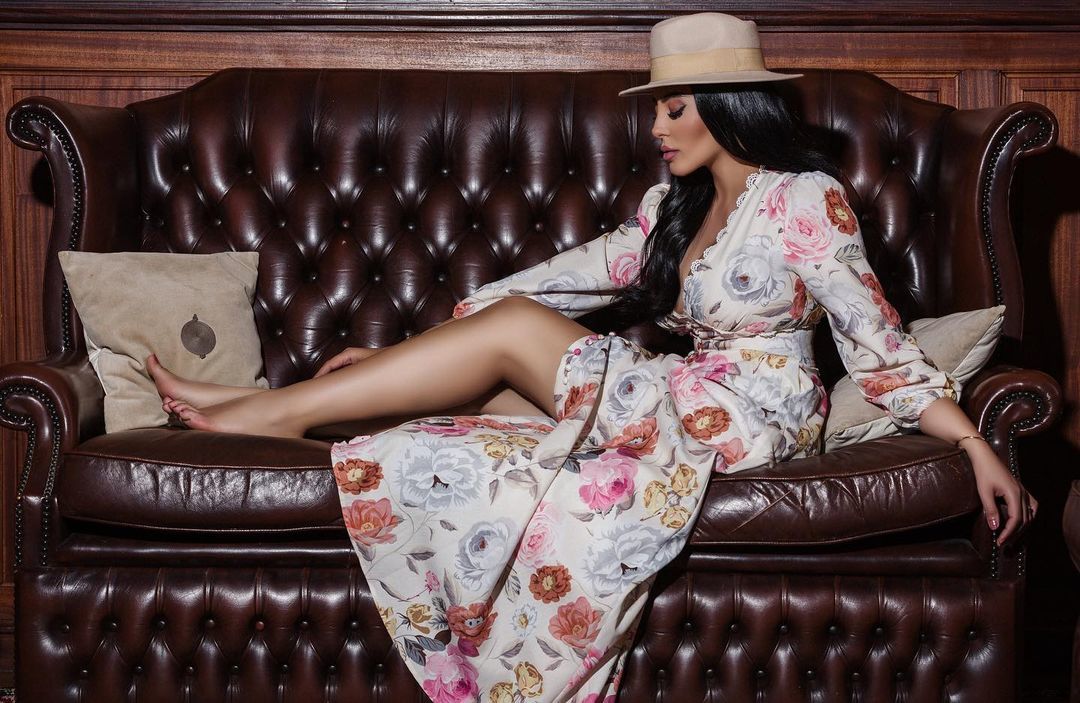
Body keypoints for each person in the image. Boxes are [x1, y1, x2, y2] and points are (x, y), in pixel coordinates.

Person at [145, 12, 1037, 703]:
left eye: (673, 106)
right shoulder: (671, 210)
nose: (656, 125)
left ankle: (264, 409)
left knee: (508, 338)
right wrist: (408, 353)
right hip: (684, 397)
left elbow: (877, 344)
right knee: (461, 407)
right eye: (655, 106)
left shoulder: (807, 198)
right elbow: (560, 282)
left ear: (730, 105)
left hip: (752, 415)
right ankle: (310, 417)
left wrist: (973, 442)